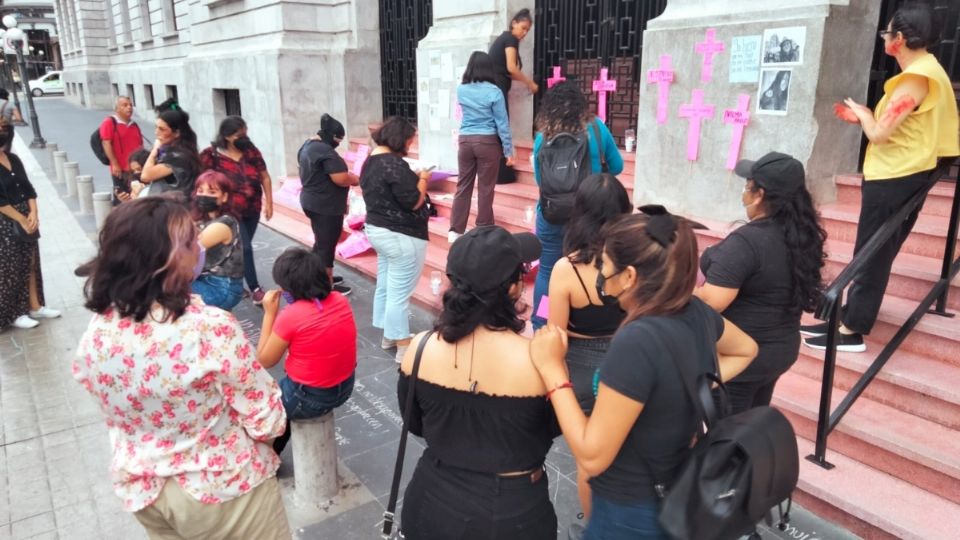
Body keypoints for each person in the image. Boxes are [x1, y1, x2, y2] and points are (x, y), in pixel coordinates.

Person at [72, 196, 290, 539]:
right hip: (222, 488)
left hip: (145, 490)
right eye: (191, 240)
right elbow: (268, 419)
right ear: (171, 260)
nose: (198, 246)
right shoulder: (208, 327)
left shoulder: (96, 332)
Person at [530, 212, 758, 539]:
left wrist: (552, 369)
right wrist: (686, 388)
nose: (601, 275)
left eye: (605, 266)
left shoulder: (637, 341)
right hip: (675, 484)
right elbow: (745, 349)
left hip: (630, 508)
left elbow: (592, 456)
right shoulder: (696, 311)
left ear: (629, 276)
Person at [806, 3, 960, 352]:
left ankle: (852, 330)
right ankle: (850, 315)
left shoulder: (916, 77)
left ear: (900, 38)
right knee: (877, 248)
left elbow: (878, 134)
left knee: (871, 251)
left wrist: (862, 114)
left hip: (896, 174)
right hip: (906, 171)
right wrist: (866, 117)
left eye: (887, 33)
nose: (886, 39)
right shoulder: (929, 71)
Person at [398, 226, 558, 540]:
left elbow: (415, 424)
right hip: (513, 512)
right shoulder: (539, 362)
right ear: (514, 288)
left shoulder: (419, 348)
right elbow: (552, 429)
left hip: (432, 499)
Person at [696, 153, 826, 413]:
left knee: (726, 437)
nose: (744, 193)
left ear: (759, 194)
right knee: (748, 426)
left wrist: (669, 291)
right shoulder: (802, 235)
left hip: (741, 357)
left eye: (747, 186)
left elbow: (712, 303)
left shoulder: (747, 242)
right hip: (779, 350)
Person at [545, 173, 631, 518]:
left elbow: (556, 334)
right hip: (627, 358)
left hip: (580, 369)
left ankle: (591, 523)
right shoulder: (635, 263)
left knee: (588, 459)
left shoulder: (567, 268)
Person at [531, 81, 624, 329]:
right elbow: (617, 167)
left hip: (551, 213)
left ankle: (542, 323)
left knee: (547, 271)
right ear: (581, 104)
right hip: (590, 213)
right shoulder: (596, 129)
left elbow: (540, 179)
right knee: (592, 264)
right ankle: (584, 323)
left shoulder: (543, 136)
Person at [256, 247, 357, 455]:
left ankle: (266, 458)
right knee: (286, 402)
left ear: (289, 289)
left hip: (310, 397)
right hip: (345, 387)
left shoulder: (291, 315)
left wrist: (269, 314)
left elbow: (264, 360)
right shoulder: (341, 300)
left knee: (264, 404)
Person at [360, 116, 431, 363]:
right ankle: (402, 345)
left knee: (387, 285)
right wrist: (423, 177)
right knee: (399, 293)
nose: (411, 146)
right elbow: (414, 201)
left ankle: (389, 335)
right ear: (400, 139)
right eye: (410, 141)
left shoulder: (370, 161)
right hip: (401, 235)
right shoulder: (393, 164)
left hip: (378, 230)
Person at [200, 116, 275, 304]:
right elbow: (203, 180)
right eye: (239, 134)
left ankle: (234, 279)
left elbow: (265, 177)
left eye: (245, 132)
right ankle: (255, 288)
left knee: (238, 247)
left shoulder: (251, 151)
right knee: (246, 247)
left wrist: (269, 202)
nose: (244, 137)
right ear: (226, 136)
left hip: (252, 208)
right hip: (229, 211)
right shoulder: (212, 155)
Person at [0, 118, 60, 330]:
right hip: (7, 220)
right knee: (12, 266)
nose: (3, 132)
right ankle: (14, 312)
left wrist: (33, 212)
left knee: (32, 262)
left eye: (4, 128)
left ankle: (35, 306)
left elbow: (28, 188)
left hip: (27, 214)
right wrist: (22, 218)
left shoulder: (13, 158)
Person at [448, 51, 514, 244]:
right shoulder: (494, 91)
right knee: (486, 187)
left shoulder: (461, 89)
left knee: (463, 185)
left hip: (465, 140)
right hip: (487, 142)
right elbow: (502, 123)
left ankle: (455, 230)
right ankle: (484, 227)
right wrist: (509, 151)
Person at [297, 113, 358, 295]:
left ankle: (317, 276)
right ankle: (326, 286)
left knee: (321, 242)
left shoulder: (308, 145)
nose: (339, 143)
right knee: (326, 245)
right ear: (332, 137)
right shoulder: (325, 151)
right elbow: (340, 178)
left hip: (311, 201)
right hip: (325, 206)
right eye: (339, 139)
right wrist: (355, 179)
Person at [488, 8, 537, 184]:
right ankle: (501, 172)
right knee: (501, 126)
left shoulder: (504, 38)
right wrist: (530, 83)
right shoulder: (510, 38)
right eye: (523, 28)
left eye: (527, 30)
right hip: (497, 86)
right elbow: (511, 68)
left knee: (496, 126)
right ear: (514, 23)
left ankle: (496, 171)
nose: (524, 33)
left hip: (493, 87)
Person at [191, 171, 245, 311]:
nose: (204, 196)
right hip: (205, 280)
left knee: (166, 293)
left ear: (225, 197)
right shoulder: (203, 219)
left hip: (222, 287)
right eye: (200, 191)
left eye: (212, 192)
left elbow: (189, 248)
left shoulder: (223, 224)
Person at [140, 107, 200, 197]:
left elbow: (145, 176)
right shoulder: (169, 149)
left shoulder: (179, 156)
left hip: (176, 205)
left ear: (177, 133)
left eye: (162, 129)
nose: (156, 132)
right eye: (156, 127)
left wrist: (154, 151)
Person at [100, 96, 144, 204]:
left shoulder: (134, 125)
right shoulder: (109, 122)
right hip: (120, 170)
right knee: (122, 199)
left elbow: (140, 145)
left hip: (135, 169)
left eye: (130, 105)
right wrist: (114, 163)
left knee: (136, 197)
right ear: (117, 109)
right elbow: (106, 143)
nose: (129, 107)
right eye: (124, 105)